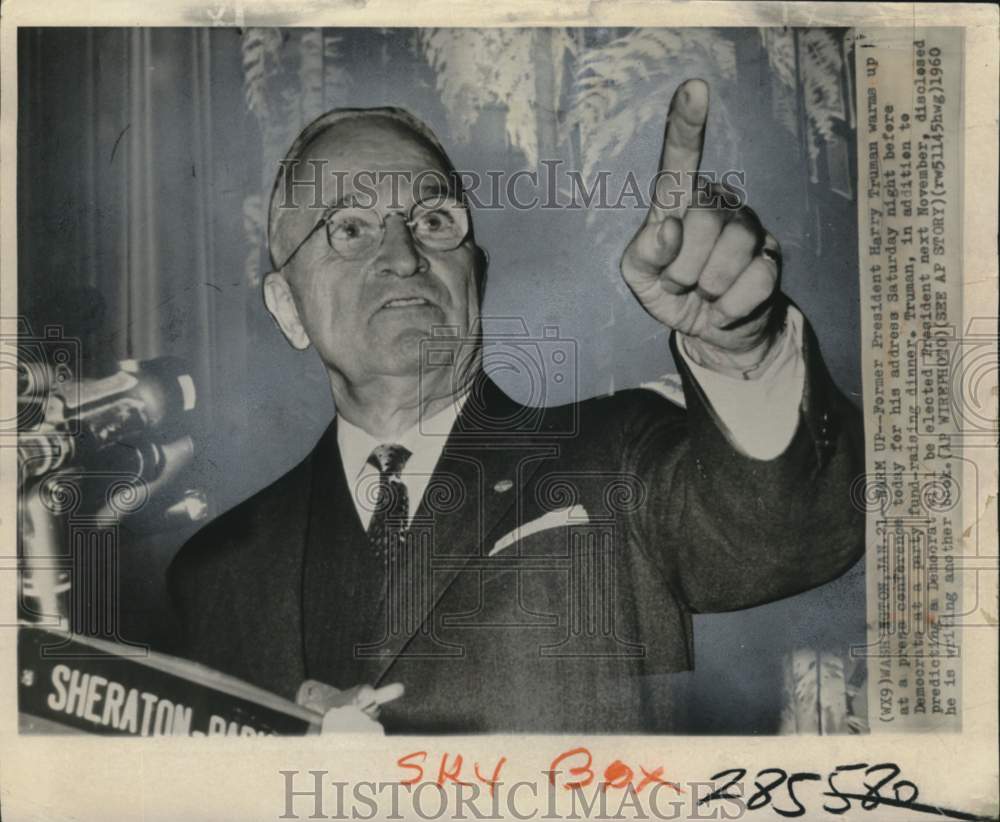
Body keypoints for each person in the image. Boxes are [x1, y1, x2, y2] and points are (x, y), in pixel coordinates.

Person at [167, 80, 865, 733]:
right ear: (288, 308)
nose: (404, 256)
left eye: (435, 219)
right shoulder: (215, 576)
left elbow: (787, 531)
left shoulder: (616, 457)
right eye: (349, 229)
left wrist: (745, 349)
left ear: (477, 272)